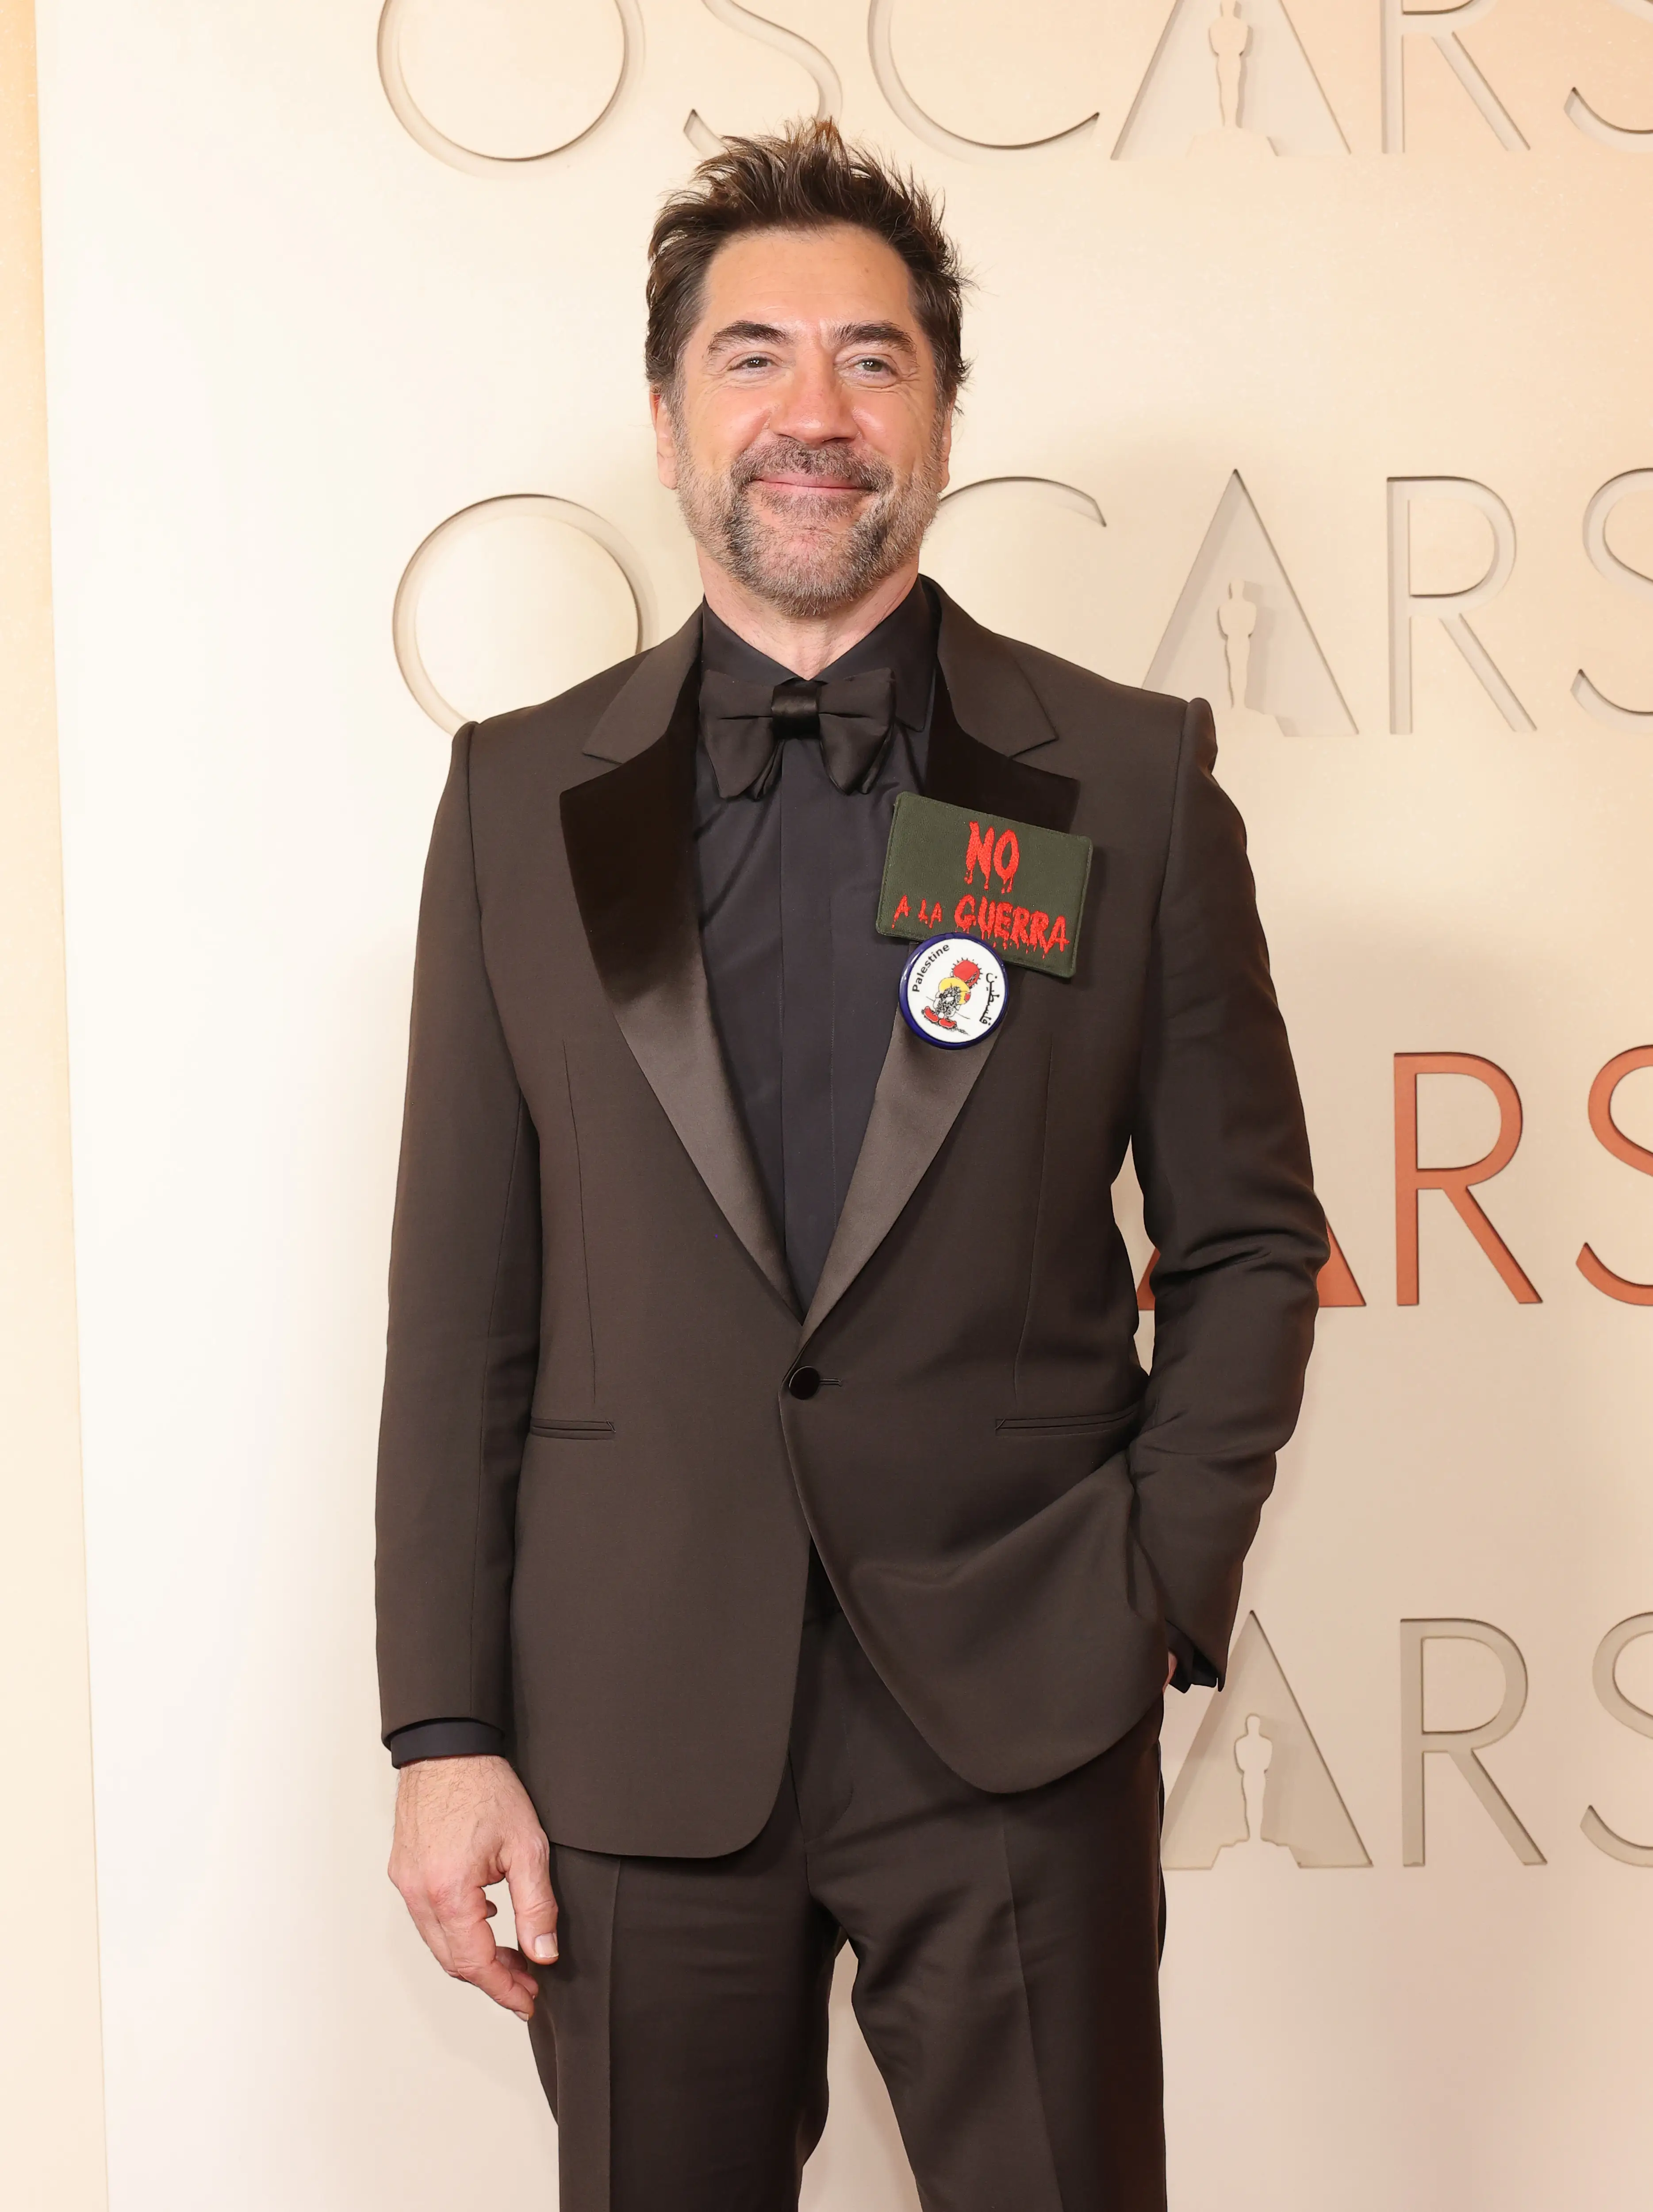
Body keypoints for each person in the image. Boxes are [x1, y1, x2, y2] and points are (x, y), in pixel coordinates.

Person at [376, 119, 1326, 2212]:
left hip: (1010, 1708)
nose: (815, 411)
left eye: (873, 359)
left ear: (944, 410)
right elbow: (462, 1302)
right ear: (666, 416)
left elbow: (1247, 1234)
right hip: (628, 1732)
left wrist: (1151, 1585)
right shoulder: (518, 798)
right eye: (754, 356)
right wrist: (442, 1733)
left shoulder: (1126, 782)